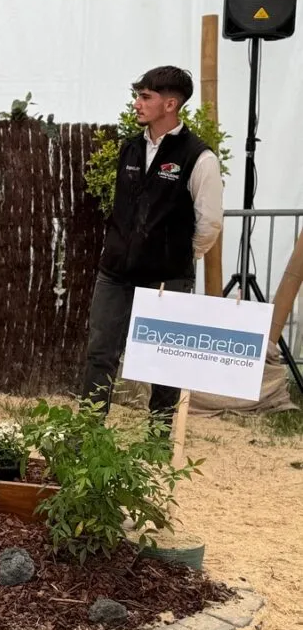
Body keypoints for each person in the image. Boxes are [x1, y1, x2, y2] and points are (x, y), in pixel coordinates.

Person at [81, 65, 224, 423]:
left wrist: (178, 257)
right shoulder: (130, 149)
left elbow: (210, 223)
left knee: (166, 362)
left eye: (145, 97)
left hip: (167, 277)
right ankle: (87, 430)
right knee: (100, 353)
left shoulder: (199, 157)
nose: (136, 104)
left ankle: (159, 439)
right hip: (115, 271)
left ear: (171, 104)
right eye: (138, 96)